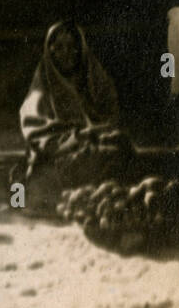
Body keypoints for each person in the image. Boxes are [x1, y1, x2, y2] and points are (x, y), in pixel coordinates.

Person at [18, 21, 132, 207]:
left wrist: (99, 131)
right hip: (63, 152)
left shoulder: (93, 78)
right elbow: (37, 135)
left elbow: (110, 113)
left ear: (81, 49)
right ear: (51, 51)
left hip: (95, 145)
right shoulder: (40, 90)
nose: (67, 54)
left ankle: (103, 199)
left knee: (120, 145)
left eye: (72, 47)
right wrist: (76, 136)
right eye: (59, 48)